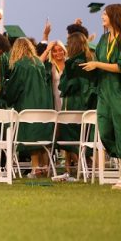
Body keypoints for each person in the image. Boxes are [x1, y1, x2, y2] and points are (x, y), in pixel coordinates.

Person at [79, 4, 121, 190]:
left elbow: (119, 67)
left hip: (117, 90)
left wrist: (97, 64)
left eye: (105, 14)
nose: (102, 16)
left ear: (114, 16)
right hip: (104, 90)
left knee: (120, 130)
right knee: (105, 130)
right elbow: (99, 62)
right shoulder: (104, 39)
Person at [1, 38, 53, 177]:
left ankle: (35, 167)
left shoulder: (20, 65)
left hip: (27, 103)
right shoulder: (39, 64)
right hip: (43, 104)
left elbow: (15, 88)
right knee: (41, 136)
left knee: (31, 137)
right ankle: (44, 166)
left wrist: (4, 93)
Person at [55, 32, 96, 179]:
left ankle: (82, 167)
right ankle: (87, 165)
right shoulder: (91, 59)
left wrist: (63, 86)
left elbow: (66, 86)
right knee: (85, 136)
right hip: (89, 105)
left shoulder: (72, 63)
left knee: (70, 135)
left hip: (75, 104)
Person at [40, 40, 67, 110]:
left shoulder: (69, 63)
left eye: (60, 50)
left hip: (67, 99)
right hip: (54, 98)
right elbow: (37, 64)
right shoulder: (50, 65)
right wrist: (47, 50)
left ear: (64, 50)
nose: (58, 53)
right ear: (51, 53)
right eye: (54, 51)